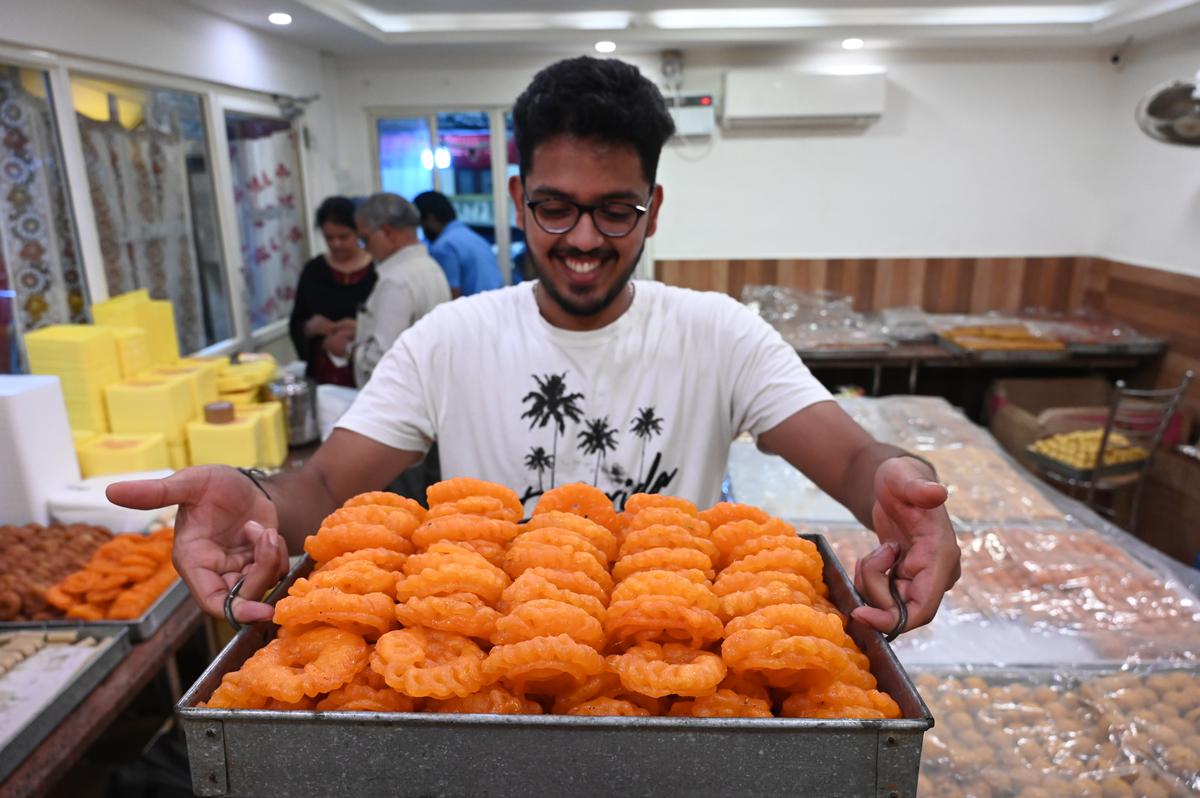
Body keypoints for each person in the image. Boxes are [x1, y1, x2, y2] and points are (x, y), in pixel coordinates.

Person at [108, 57, 960, 642]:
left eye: (615, 210)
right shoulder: (450, 338)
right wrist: (255, 497)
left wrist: (896, 483)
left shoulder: (719, 332)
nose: (583, 239)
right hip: (486, 680)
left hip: (663, 662)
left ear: (653, 209)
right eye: (556, 207)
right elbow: (327, 485)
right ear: (517, 200)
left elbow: (850, 459)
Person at [321, 192, 451, 387]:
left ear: (387, 233)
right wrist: (365, 328)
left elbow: (382, 360)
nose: (365, 249)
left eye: (365, 239)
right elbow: (409, 331)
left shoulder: (397, 280)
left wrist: (346, 350)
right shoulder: (430, 267)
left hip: (404, 394)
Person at [287, 196, 376, 387]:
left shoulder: (376, 271)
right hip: (323, 374)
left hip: (366, 374)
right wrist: (309, 327)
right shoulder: (314, 270)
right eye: (329, 238)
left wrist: (361, 328)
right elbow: (297, 321)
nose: (336, 244)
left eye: (343, 237)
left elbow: (390, 327)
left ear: (358, 233)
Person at [413, 190, 505, 298]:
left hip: (474, 310)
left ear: (430, 218)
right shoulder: (470, 236)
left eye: (421, 226)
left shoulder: (444, 246)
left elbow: (451, 295)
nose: (423, 232)